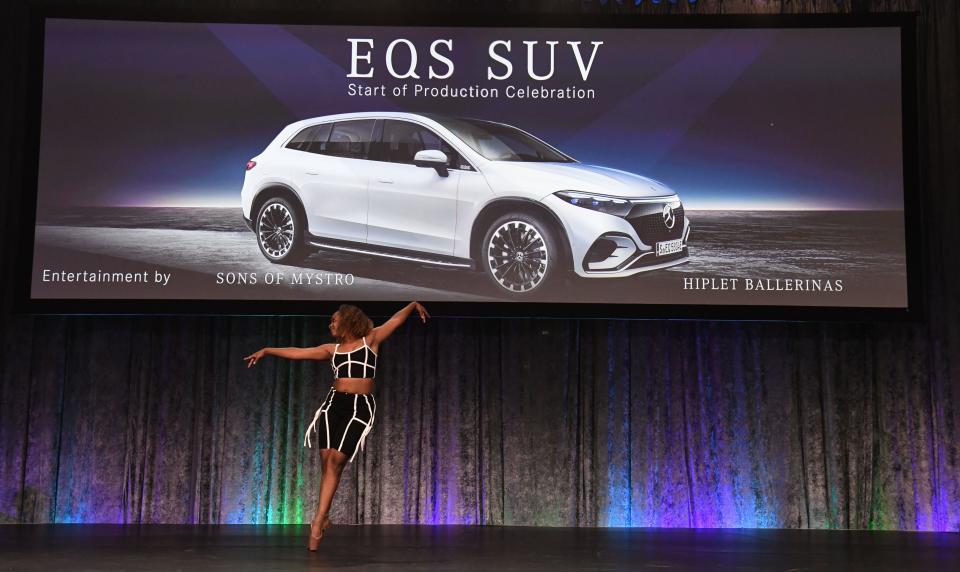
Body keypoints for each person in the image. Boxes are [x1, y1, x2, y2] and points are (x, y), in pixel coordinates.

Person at [243, 301, 430, 551]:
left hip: (359, 407)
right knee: (327, 460)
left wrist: (412, 305)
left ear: (349, 321)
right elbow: (299, 352)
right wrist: (267, 350)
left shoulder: (371, 340)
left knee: (336, 461)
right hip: (333, 405)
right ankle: (323, 517)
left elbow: (395, 320)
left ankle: (318, 520)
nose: (330, 323)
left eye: (334, 319)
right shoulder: (332, 350)